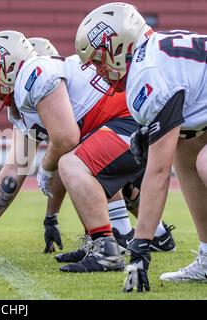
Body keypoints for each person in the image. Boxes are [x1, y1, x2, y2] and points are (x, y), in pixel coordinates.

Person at [0, 30, 155, 273]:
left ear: (10, 66)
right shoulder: (21, 102)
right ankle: (99, 242)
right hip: (122, 124)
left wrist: (46, 169)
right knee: (75, 161)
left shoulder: (33, 75)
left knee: (70, 163)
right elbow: (16, 165)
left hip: (133, 120)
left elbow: (66, 137)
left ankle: (106, 250)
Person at [75, 2, 207, 290]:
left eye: (99, 60)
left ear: (120, 45)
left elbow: (157, 174)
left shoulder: (147, 73)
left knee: (204, 162)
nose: (99, 71)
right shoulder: (155, 50)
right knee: (186, 150)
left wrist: (140, 248)